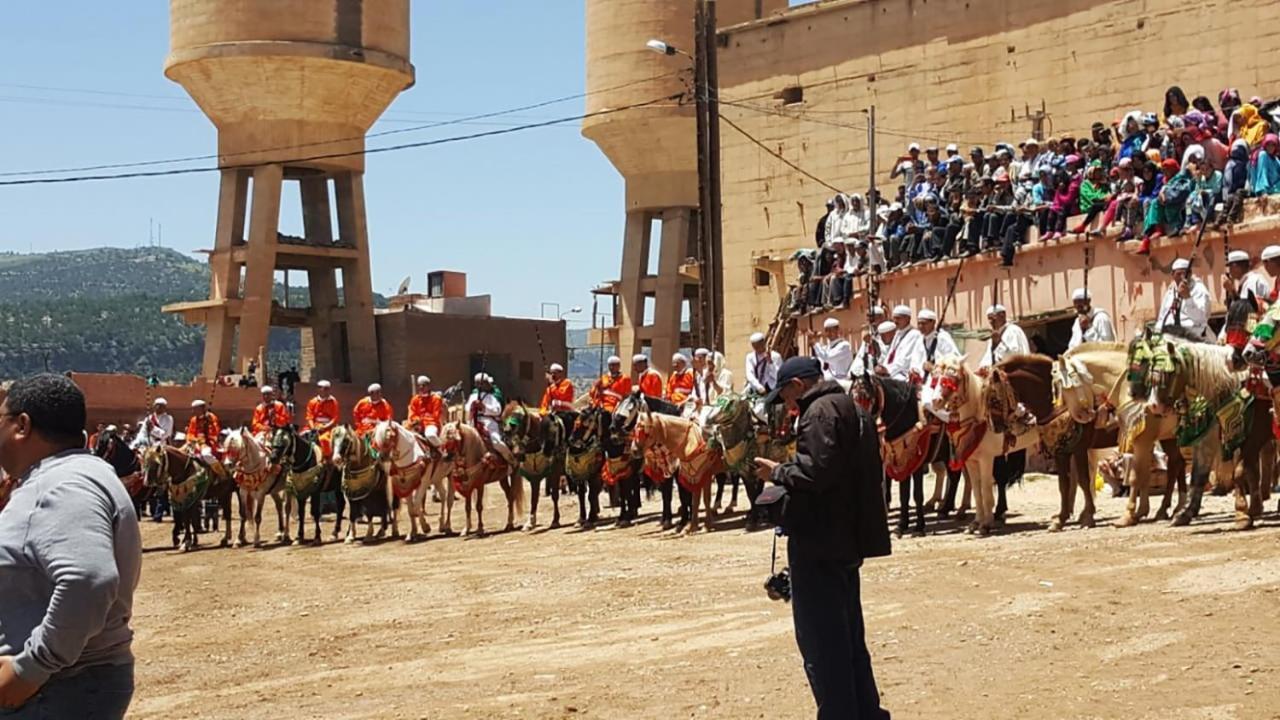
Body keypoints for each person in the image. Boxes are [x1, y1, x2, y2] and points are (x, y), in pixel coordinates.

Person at [751, 358, 891, 720]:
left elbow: (816, 472)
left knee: (822, 645)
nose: (788, 405)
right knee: (849, 641)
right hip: (845, 541)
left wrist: (777, 470)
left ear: (798, 384)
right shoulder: (851, 408)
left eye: (786, 396)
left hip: (818, 545)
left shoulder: (819, 412)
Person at [0, 374, 142, 718]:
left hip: (54, 691)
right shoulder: (69, 477)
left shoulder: (64, 485)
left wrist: (30, 668)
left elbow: (88, 580)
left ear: (22, 425)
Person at [1221, 249, 1271, 350]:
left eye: (1230, 266)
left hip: (1254, 335)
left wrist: (1249, 338)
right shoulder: (1245, 282)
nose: (1229, 271)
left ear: (1235, 266)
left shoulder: (1253, 281)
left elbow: (1251, 311)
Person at [1156, 258, 1213, 342]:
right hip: (1170, 335)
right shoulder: (1171, 291)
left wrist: (1188, 298)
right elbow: (1162, 317)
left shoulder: (1199, 289)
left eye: (1185, 274)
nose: (1182, 277)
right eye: (1179, 274)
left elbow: (1201, 318)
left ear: (1190, 273)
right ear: (1172, 274)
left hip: (1192, 336)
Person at [467, 373, 514, 464]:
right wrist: (474, 405)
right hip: (474, 422)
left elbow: (497, 410)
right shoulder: (473, 396)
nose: (488, 384)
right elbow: (467, 408)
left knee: (496, 442)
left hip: (489, 423)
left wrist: (484, 407)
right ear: (478, 385)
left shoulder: (492, 396)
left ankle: (510, 460)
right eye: (485, 383)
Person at [977, 305, 1030, 372]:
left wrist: (999, 344)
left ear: (1002, 315)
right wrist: (983, 366)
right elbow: (989, 356)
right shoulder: (994, 335)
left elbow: (1014, 353)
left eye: (992, 318)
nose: (990, 322)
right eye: (989, 319)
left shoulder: (1012, 330)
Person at [881, 305, 925, 383]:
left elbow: (905, 360)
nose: (895, 321)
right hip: (892, 371)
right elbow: (890, 355)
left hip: (903, 373)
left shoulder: (914, 334)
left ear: (907, 318)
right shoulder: (898, 334)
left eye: (898, 318)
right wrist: (883, 368)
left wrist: (887, 371)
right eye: (894, 318)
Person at [305, 380, 340, 459]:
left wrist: (325, 427)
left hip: (328, 428)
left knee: (323, 439)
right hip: (314, 427)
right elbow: (309, 417)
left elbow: (335, 418)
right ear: (318, 389)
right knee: (302, 437)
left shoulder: (333, 402)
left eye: (326, 389)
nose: (324, 390)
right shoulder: (312, 402)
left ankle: (326, 460)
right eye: (322, 388)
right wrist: (313, 427)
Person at [407, 376, 446, 446]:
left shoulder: (436, 398)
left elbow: (435, 416)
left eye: (424, 385)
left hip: (431, 424)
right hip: (417, 426)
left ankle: (441, 449)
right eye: (420, 386)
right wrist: (416, 421)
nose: (421, 388)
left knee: (430, 435)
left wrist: (422, 420)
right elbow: (412, 414)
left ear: (429, 386)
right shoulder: (415, 399)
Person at [812, 317, 853, 382]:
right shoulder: (826, 348)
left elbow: (827, 358)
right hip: (827, 382)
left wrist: (815, 344)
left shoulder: (844, 346)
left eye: (832, 330)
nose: (830, 333)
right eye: (827, 331)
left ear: (838, 330)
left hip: (842, 381)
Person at [184, 399, 222, 466]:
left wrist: (205, 438)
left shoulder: (211, 418)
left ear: (202, 408)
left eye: (195, 409)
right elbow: (190, 433)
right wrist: (194, 440)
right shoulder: (193, 419)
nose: (193, 411)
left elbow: (215, 432)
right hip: (195, 443)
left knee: (206, 455)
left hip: (208, 444)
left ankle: (221, 472)